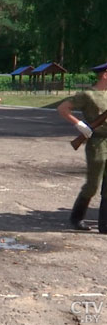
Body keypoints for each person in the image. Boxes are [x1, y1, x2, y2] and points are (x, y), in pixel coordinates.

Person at [58, 62, 107, 233]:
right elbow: (63, 108)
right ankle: (76, 218)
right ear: (105, 74)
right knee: (93, 185)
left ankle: (104, 224)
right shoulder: (88, 95)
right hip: (97, 142)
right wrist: (80, 125)